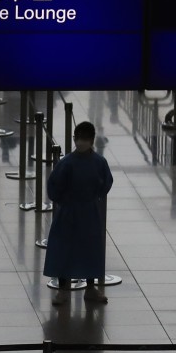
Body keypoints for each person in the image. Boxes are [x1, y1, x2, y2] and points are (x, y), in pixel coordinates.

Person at [43, 122, 113, 307]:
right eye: (78, 138)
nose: (80, 142)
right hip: (69, 212)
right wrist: (65, 200)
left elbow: (106, 182)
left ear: (91, 140)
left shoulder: (99, 162)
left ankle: (90, 288)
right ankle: (63, 289)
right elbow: (54, 187)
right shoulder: (66, 163)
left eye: (84, 138)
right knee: (64, 249)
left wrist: (92, 196)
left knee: (90, 249)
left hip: (89, 212)